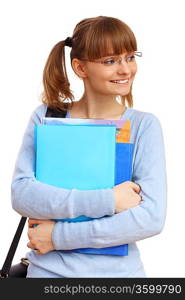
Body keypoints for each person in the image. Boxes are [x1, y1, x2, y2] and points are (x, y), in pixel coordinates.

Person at [11, 16, 167, 278]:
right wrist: (109, 200)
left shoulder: (143, 126)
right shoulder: (48, 118)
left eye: (130, 57)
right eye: (110, 61)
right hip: (47, 275)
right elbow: (23, 195)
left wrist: (58, 237)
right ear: (80, 68)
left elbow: (150, 217)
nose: (126, 70)